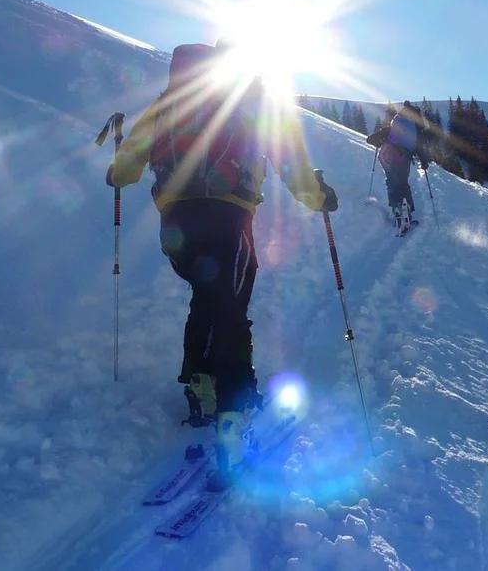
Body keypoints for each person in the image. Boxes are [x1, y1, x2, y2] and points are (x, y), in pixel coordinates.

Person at [106, 42, 338, 485]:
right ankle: (233, 409)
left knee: (208, 298)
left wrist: (116, 171)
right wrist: (318, 196)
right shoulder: (253, 104)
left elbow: (126, 167)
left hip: (176, 226)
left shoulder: (169, 104)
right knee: (230, 308)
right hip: (229, 217)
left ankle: (200, 382)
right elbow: (290, 162)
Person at [366, 101, 431, 234]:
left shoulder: (394, 125)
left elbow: (370, 139)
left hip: (386, 156)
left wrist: (379, 141)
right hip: (403, 159)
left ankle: (397, 211)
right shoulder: (415, 130)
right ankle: (406, 210)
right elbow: (420, 149)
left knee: (391, 183)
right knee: (402, 184)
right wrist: (424, 163)